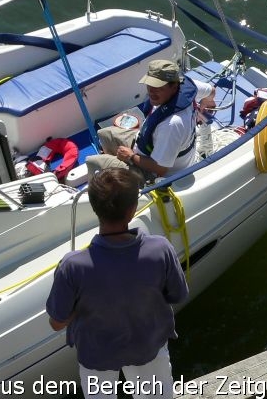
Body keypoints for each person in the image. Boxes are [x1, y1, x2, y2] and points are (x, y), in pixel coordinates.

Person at [46, 168, 189, 399]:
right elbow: (178, 295)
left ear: (95, 208)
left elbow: (57, 322)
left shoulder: (71, 266)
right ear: (132, 210)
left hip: (96, 354)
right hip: (148, 347)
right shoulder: (160, 249)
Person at [86, 59, 215, 182]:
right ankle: (117, 172)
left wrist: (131, 156)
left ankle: (111, 185)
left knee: (92, 162)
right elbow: (211, 91)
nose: (151, 92)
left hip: (155, 172)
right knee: (104, 134)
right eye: (150, 84)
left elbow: (161, 169)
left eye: (158, 87)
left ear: (174, 86)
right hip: (145, 145)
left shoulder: (171, 125)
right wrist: (207, 102)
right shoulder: (188, 86)